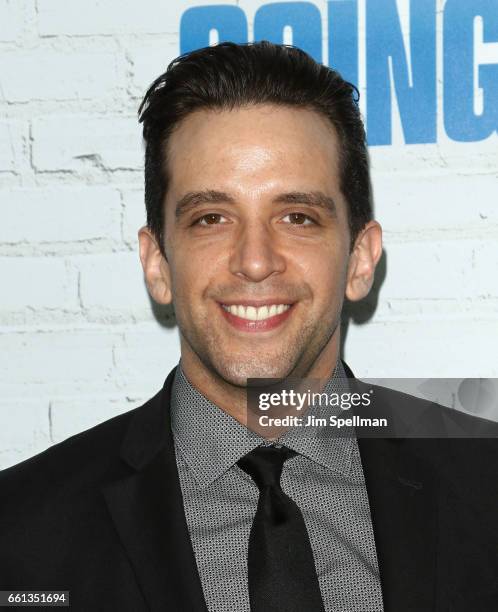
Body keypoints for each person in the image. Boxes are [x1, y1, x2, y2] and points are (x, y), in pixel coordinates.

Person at [0, 41, 496, 612]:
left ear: (361, 258)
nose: (255, 260)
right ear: (157, 264)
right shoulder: (22, 532)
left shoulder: (486, 485)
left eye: (296, 217)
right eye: (211, 218)